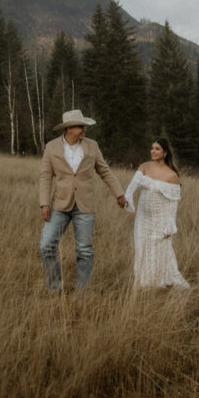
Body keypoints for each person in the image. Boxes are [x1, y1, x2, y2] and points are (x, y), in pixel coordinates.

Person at [39, 108, 127, 293]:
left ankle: (83, 293)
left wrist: (119, 194)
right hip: (60, 205)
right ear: (69, 129)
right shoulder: (51, 147)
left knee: (84, 250)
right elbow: (45, 176)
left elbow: (105, 171)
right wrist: (44, 203)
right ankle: (55, 290)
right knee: (46, 245)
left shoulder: (92, 146)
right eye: (81, 126)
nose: (84, 130)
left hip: (85, 206)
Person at [124, 137, 190, 290]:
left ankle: (161, 282)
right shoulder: (144, 167)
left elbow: (173, 206)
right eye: (152, 148)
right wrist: (126, 200)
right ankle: (143, 283)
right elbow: (131, 187)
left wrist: (170, 226)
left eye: (157, 149)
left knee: (160, 251)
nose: (153, 151)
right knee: (142, 248)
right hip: (143, 218)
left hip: (161, 219)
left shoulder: (172, 176)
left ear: (165, 153)